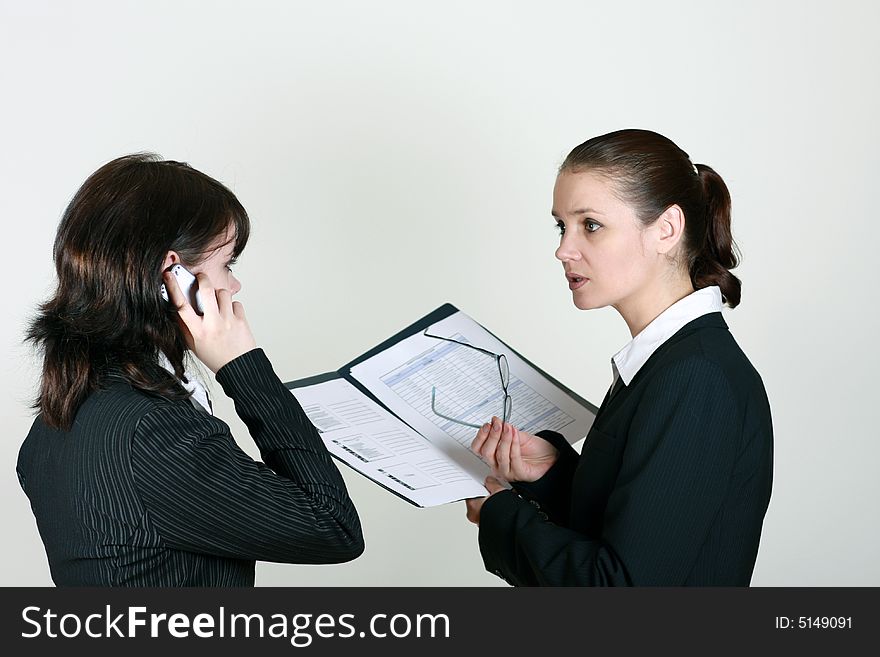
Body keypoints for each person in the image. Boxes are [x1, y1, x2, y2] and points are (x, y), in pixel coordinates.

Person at [17, 153, 364, 586]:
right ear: (171, 273)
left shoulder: (53, 425)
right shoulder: (155, 432)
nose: (233, 286)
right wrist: (243, 368)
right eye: (227, 264)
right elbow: (333, 527)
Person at [465, 129, 773, 586]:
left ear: (666, 229)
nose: (563, 249)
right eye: (561, 226)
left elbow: (623, 589)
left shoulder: (695, 377)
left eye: (590, 225)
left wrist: (501, 516)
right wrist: (551, 472)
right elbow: (639, 528)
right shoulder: (666, 362)